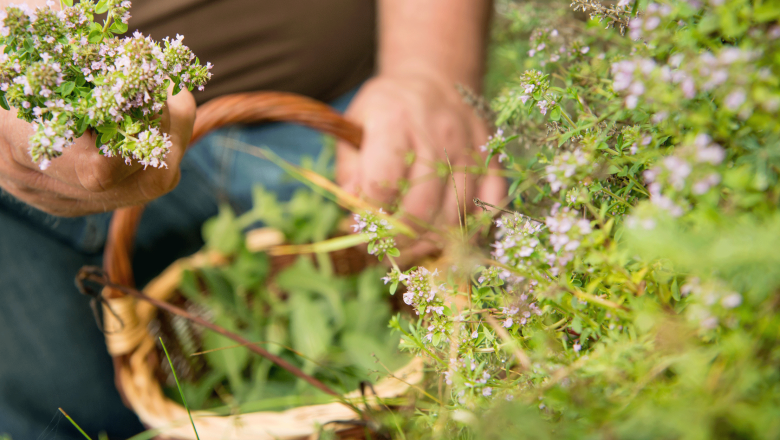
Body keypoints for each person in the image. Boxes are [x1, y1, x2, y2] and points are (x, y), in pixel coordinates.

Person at [0, 0, 505, 438]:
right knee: (67, 410)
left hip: (349, 115)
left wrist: (431, 69)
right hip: (59, 160)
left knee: (469, 351)